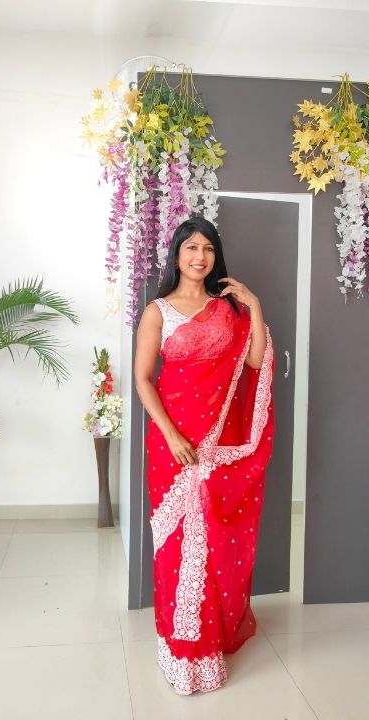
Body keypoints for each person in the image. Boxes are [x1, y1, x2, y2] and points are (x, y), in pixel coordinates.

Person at [134, 215, 275, 695]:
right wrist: (171, 434)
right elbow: (142, 379)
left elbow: (255, 363)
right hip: (172, 443)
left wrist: (254, 307)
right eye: (191, 247)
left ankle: (207, 646)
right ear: (176, 254)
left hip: (217, 444)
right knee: (174, 544)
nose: (200, 257)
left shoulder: (228, 310)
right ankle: (179, 648)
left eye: (208, 249)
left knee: (214, 542)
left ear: (216, 257)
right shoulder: (158, 311)